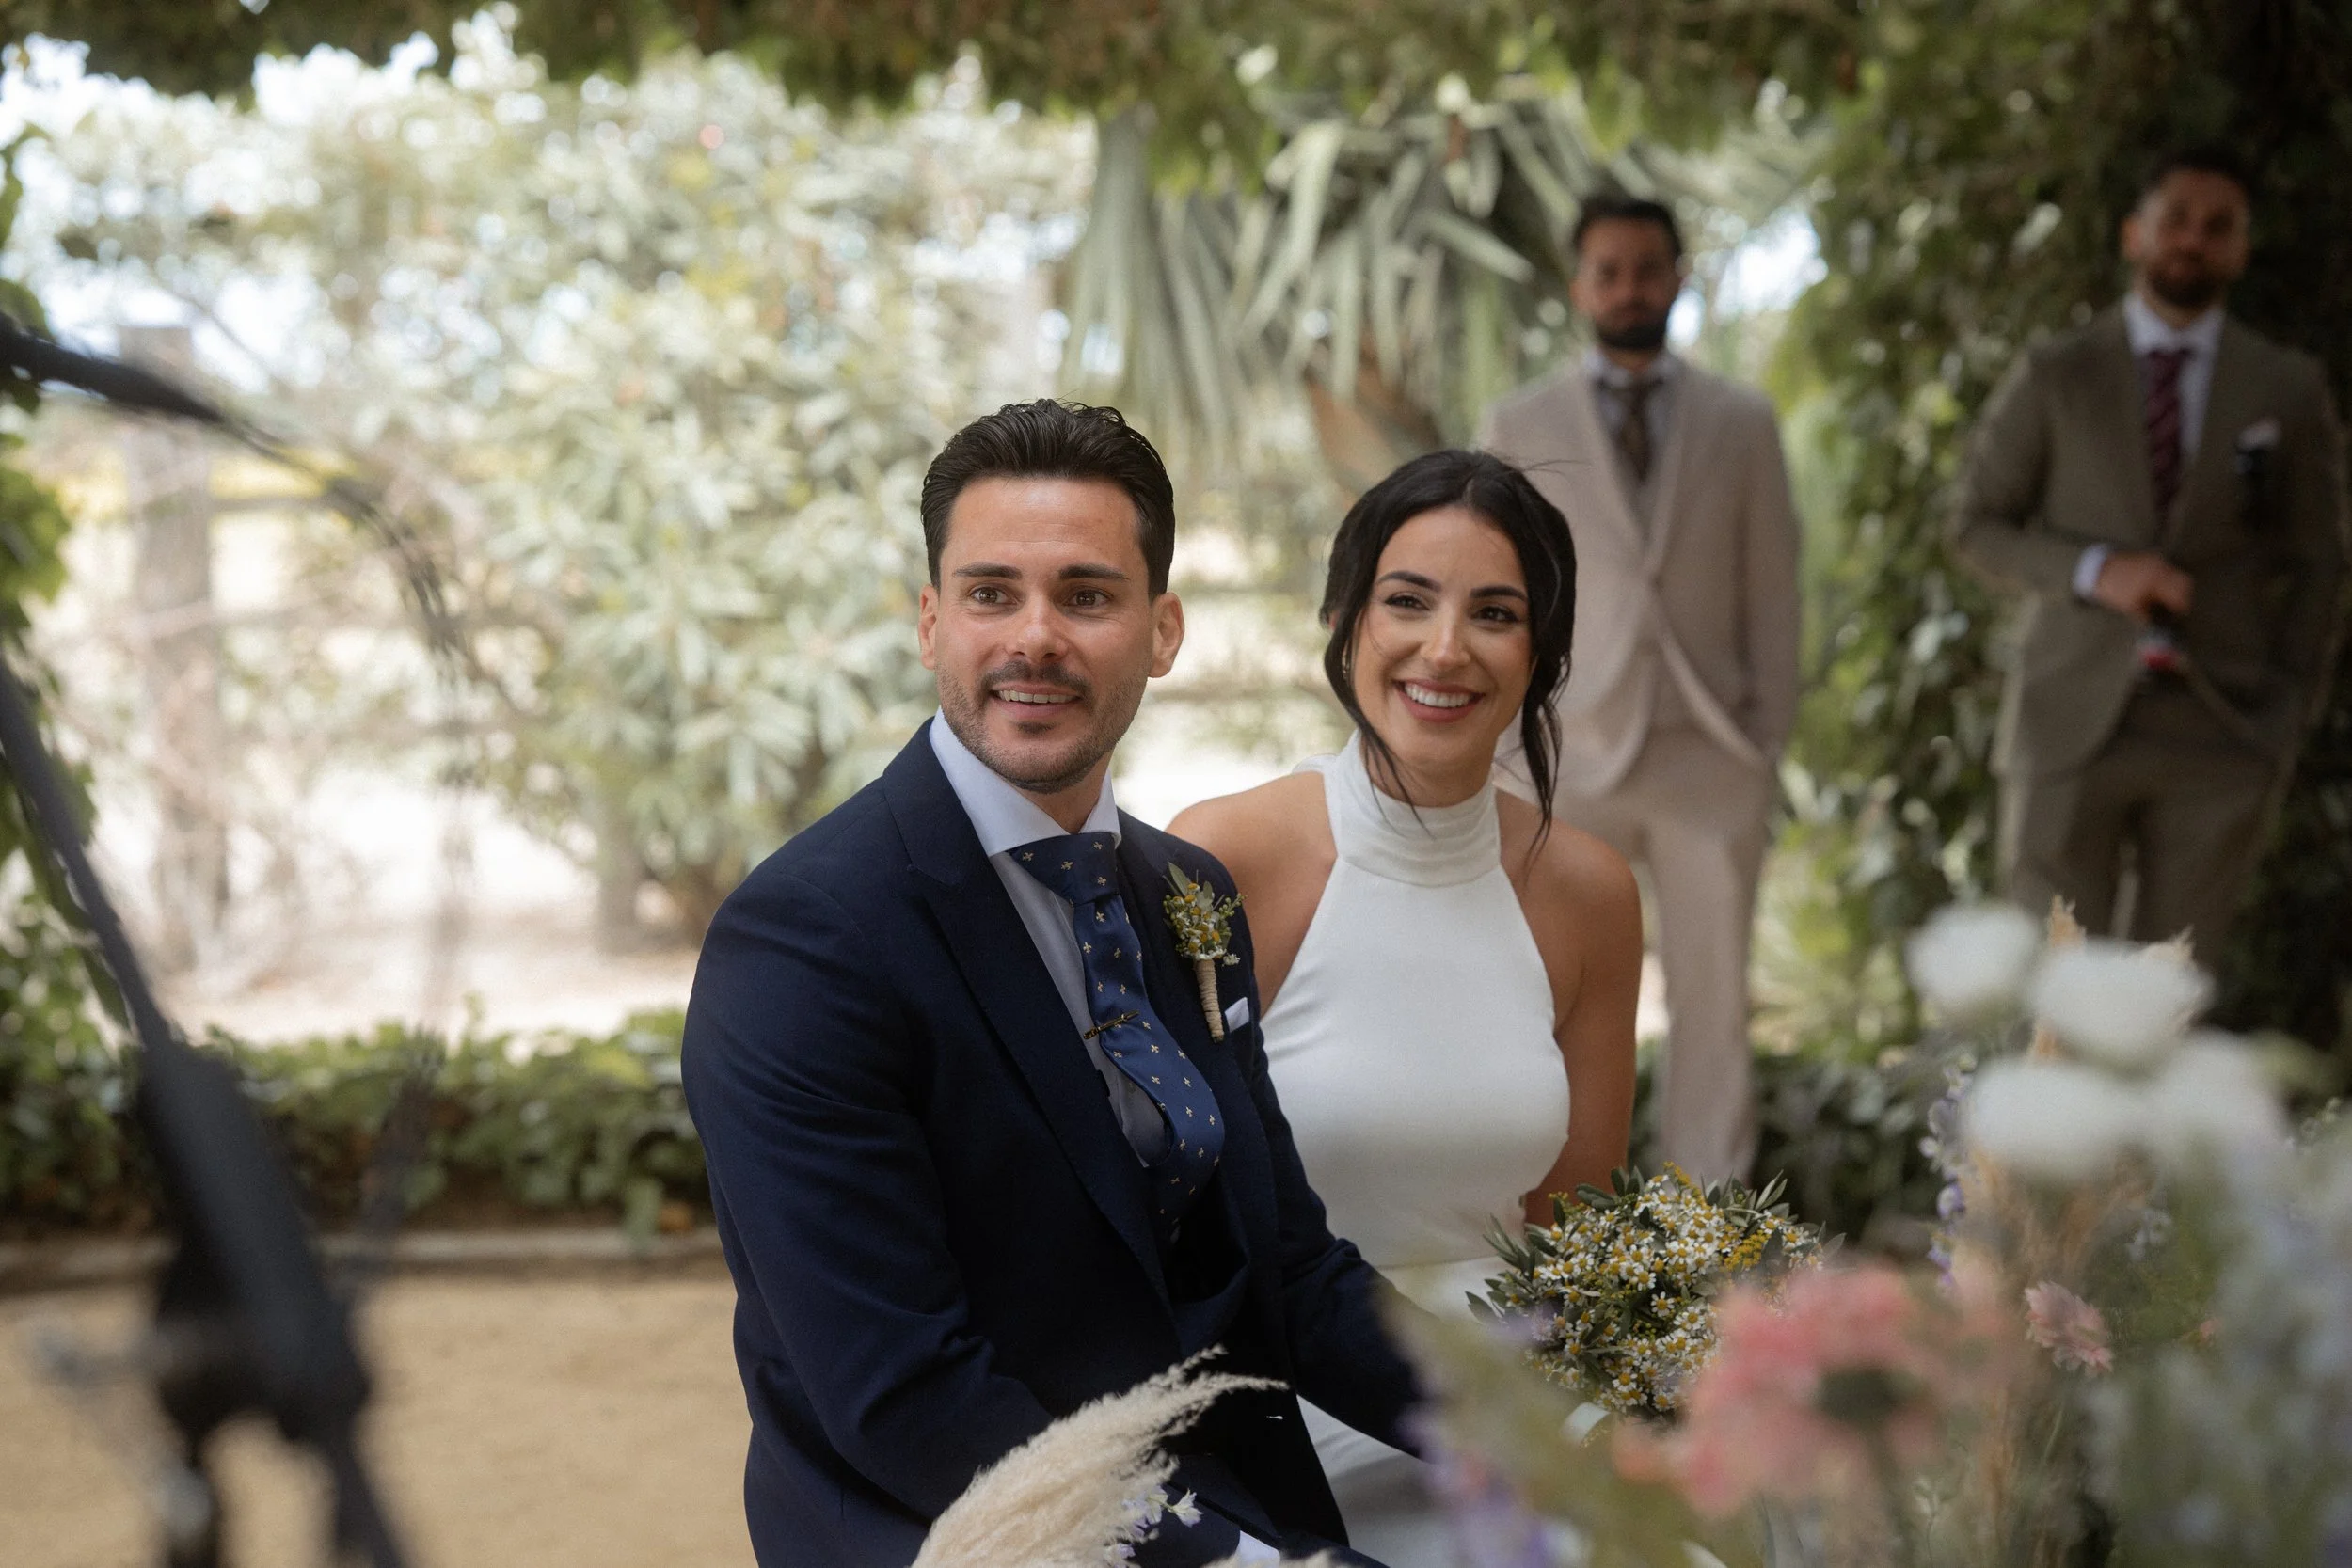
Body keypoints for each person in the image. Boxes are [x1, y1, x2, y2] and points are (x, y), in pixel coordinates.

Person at [681, 400, 1422, 1568]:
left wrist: (1541, 1431)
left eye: (1085, 595)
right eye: (990, 594)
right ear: (930, 623)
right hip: (956, 1529)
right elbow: (906, 1392)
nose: (1035, 637)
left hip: (1224, 1493)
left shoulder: (1191, 894)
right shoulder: (806, 941)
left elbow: (1287, 1262)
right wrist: (1240, 1566)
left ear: (1162, 629)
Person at [1171, 449, 1641, 1562]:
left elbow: (1575, 1234)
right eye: (1407, 601)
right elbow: (1177, 1227)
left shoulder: (1590, 893)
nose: (1445, 649)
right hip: (1300, 1396)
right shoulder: (1222, 860)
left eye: (1495, 613)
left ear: (1542, 654)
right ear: (1343, 619)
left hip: (1520, 1398)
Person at [1950, 145, 2348, 960]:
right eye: (2176, 221)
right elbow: (1976, 525)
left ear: (2240, 248)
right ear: (2136, 234)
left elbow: (2320, 563)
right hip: (2070, 719)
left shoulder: (2286, 388)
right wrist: (2097, 572)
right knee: (2051, 994)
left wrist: (2286, 708)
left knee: (2168, 1006)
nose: (2192, 241)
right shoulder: (2058, 373)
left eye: (2217, 227)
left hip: (2223, 725)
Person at [1479, 192, 1801, 1186]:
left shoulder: (1742, 422)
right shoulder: (1518, 420)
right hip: (1568, 747)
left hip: (1711, 752)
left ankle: (1708, 1221)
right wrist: (1509, 736)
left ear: (1678, 277)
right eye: (1607, 271)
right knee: (1553, 989)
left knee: (1714, 999)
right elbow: (1496, 586)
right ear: (1580, 285)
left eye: (1647, 269)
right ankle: (1561, 1215)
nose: (1628, 288)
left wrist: (1765, 740)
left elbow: (1776, 589)